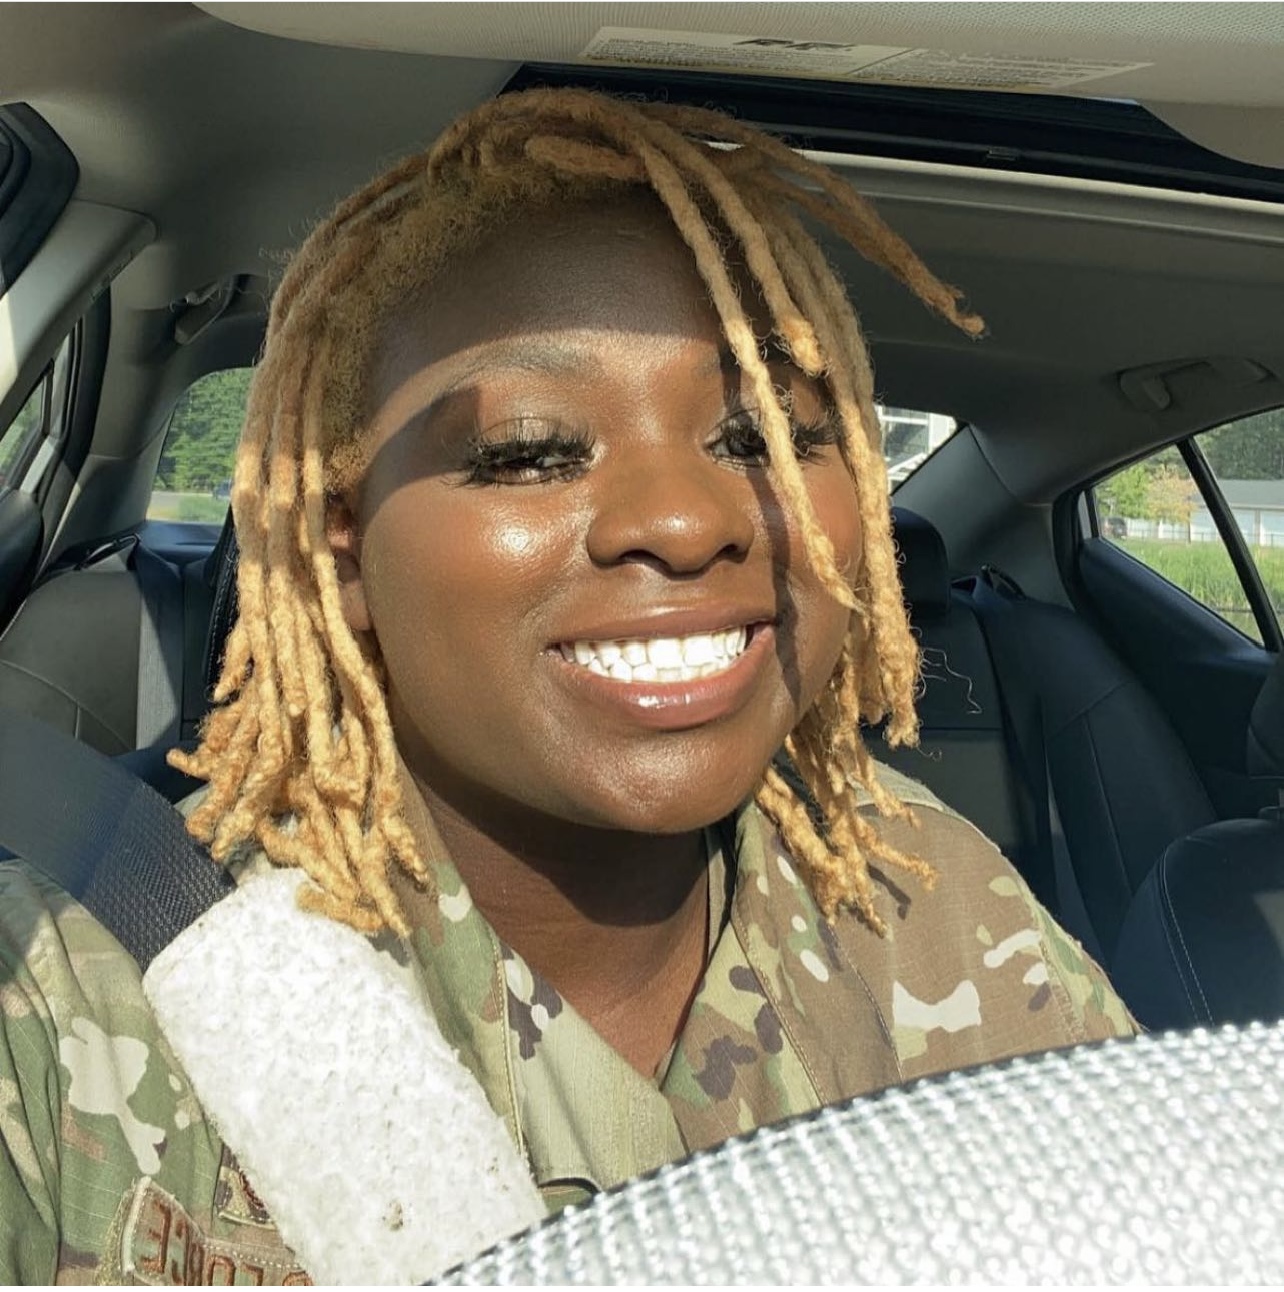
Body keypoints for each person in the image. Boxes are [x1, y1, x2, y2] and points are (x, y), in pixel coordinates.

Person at [0, 88, 1133, 1284]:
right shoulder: (80, 991)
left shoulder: (927, 891)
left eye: (763, 436)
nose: (689, 520)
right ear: (346, 551)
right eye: (530, 450)